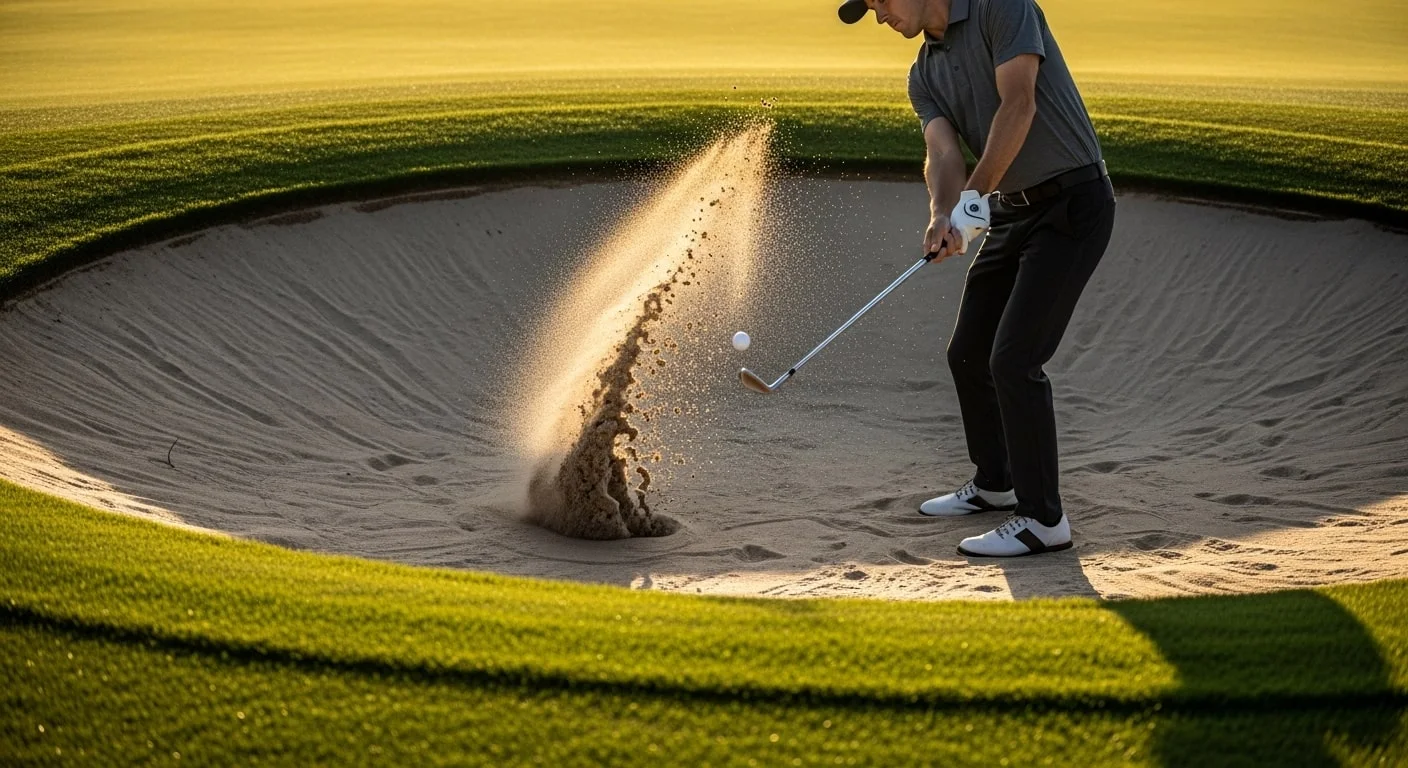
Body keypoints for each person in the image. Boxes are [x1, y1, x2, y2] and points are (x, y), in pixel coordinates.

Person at [839, 0, 1116, 557]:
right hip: (1013, 211)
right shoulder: (924, 72)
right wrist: (944, 212)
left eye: (882, 1)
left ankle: (1043, 519)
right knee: (968, 353)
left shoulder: (1001, 7)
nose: (880, 16)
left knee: (1014, 360)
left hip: (1072, 206)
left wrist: (974, 200)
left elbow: (1019, 105)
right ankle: (996, 483)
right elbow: (942, 151)